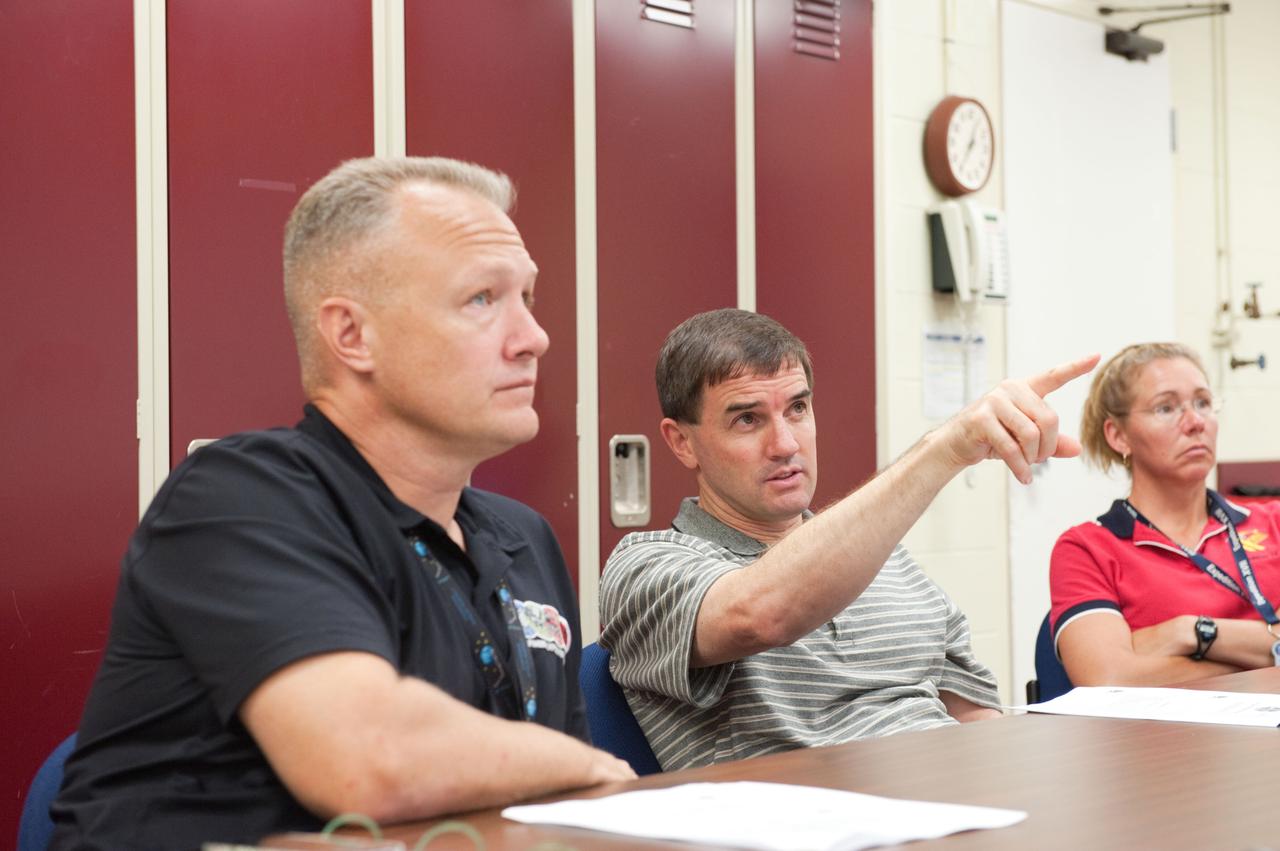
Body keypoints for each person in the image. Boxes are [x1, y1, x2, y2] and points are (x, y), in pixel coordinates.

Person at [51, 157, 634, 851]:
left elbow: (568, 810)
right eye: (482, 298)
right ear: (352, 336)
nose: (532, 338)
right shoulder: (241, 497)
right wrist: (588, 764)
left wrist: (579, 775)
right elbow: (367, 756)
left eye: (528, 297)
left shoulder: (521, 536)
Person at [599, 308, 1097, 770]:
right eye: (747, 419)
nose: (786, 445)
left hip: (954, 807)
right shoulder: (646, 566)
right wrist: (946, 449)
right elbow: (760, 615)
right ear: (682, 442)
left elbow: (976, 722)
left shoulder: (884, 561)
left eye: (797, 409)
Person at [1049, 342, 1280, 687]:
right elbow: (1108, 678)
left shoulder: (1273, 521)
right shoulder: (1086, 548)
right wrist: (1266, 658)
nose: (1195, 422)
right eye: (1165, 408)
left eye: (1203, 403)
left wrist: (1192, 632)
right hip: (1168, 739)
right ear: (1118, 436)